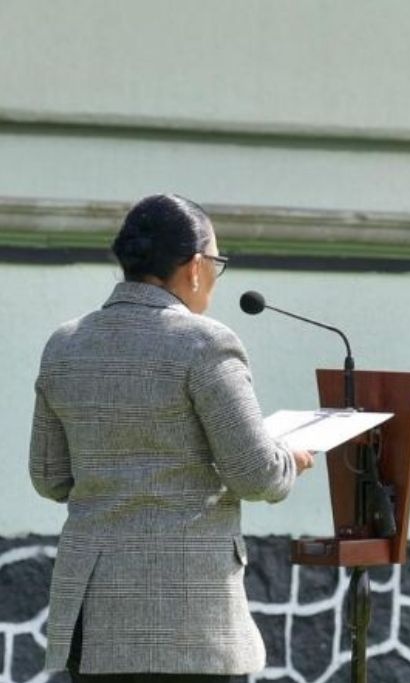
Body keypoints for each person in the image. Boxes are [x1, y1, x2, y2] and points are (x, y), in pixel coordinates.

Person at [29, 194, 315, 682]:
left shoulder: (65, 344)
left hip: (94, 622)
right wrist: (288, 458)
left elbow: (50, 477)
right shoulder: (206, 343)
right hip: (190, 625)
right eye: (217, 263)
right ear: (197, 266)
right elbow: (254, 472)